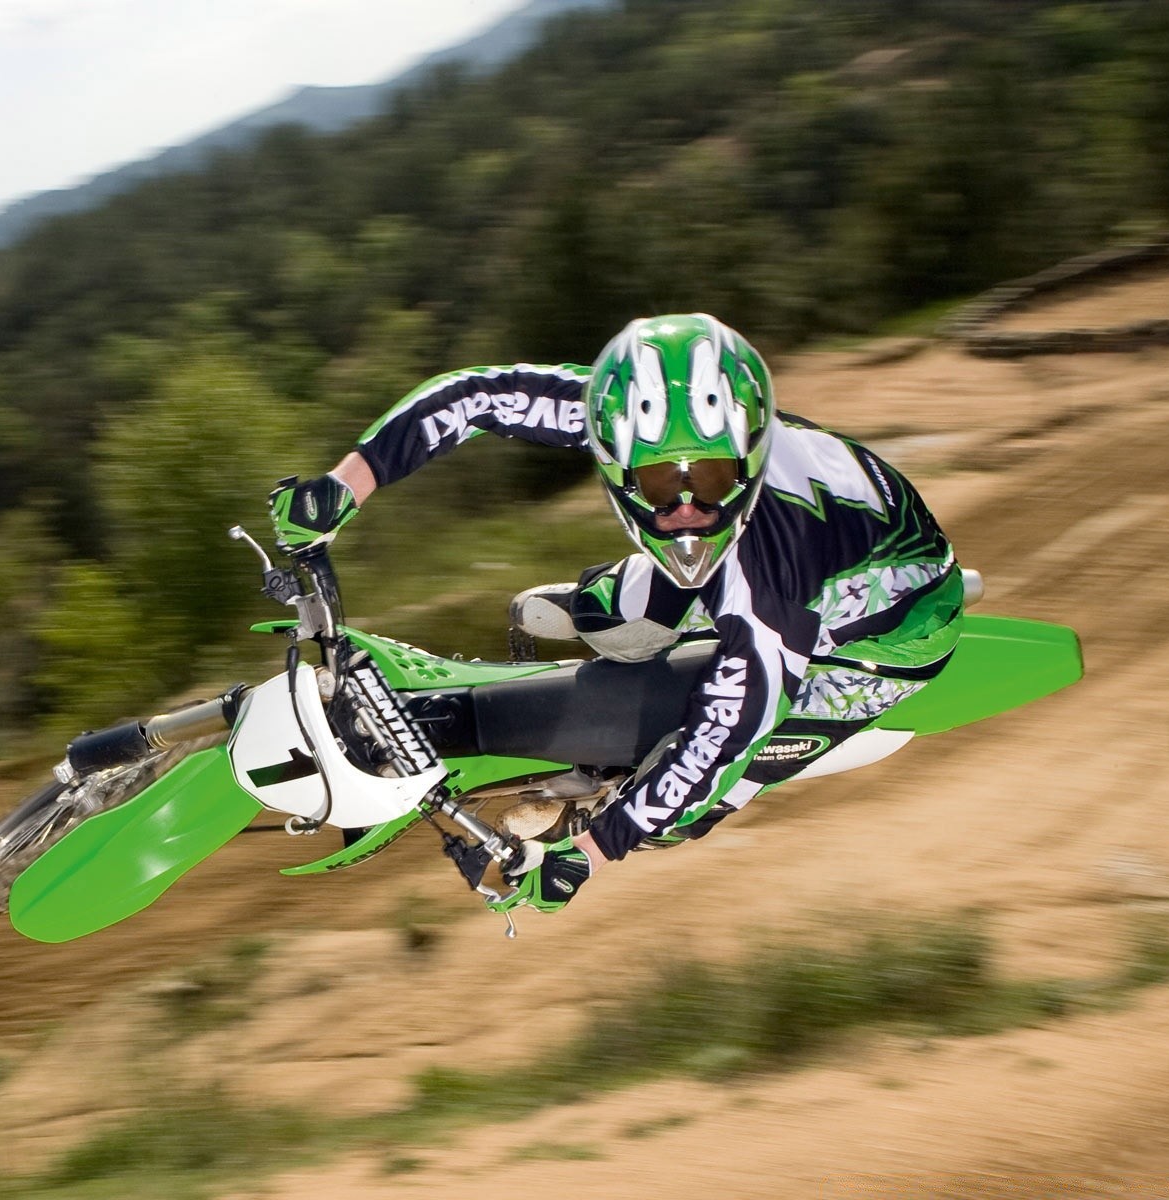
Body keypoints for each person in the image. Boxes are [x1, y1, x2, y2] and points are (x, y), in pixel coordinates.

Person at [269, 313, 964, 913]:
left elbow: (721, 744)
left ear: (749, 450)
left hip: (880, 639)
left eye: (712, 478)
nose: (688, 512)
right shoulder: (615, 414)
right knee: (611, 620)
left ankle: (603, 789)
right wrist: (345, 485)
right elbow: (477, 396)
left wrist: (591, 852)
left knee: (689, 801)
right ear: (610, 447)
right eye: (661, 483)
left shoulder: (771, 582)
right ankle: (616, 615)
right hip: (803, 555)